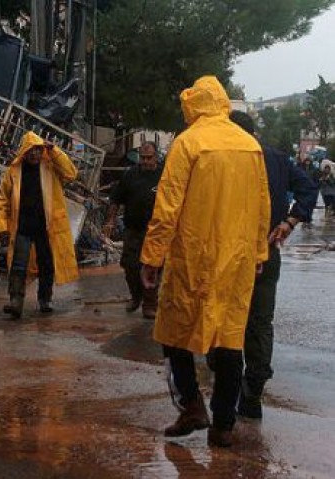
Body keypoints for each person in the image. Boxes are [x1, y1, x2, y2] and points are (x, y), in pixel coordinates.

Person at [140, 76, 270, 448]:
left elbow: (168, 206)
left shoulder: (188, 143)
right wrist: (259, 252)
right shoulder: (250, 145)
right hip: (236, 260)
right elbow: (263, 206)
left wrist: (152, 256)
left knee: (173, 332)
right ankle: (223, 424)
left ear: (193, 104)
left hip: (193, 257)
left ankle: (191, 405)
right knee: (230, 339)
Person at [229, 111, 318, 420]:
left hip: (230, 254)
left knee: (226, 317)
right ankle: (252, 391)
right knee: (259, 321)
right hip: (266, 251)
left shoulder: (225, 157)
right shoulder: (277, 159)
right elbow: (308, 189)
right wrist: (290, 222)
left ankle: (229, 388)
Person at [0, 131, 79, 318]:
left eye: (38, 150)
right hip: (22, 227)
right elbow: (3, 201)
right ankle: (16, 302)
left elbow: (71, 174)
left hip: (46, 228)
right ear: (24, 151)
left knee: (46, 265)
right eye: (31, 150)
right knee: (18, 266)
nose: (35, 154)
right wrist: (1, 226)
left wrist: (54, 151)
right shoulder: (13, 172)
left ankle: (45, 299)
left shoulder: (50, 167)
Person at [102, 141, 164, 318]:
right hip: (133, 230)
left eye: (149, 158)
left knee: (152, 267)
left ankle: (150, 304)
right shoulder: (130, 175)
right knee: (130, 266)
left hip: (155, 232)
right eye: (142, 158)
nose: (145, 161)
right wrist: (110, 221)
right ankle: (136, 296)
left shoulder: (164, 175)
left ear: (156, 157)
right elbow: (115, 199)